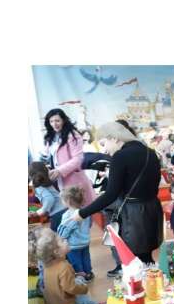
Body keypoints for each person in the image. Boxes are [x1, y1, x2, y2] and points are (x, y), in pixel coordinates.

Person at [70, 120, 163, 277]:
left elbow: (110, 194)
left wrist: (82, 213)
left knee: (134, 266)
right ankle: (155, 287)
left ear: (114, 138)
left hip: (133, 216)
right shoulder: (150, 152)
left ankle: (141, 291)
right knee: (147, 260)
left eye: (104, 143)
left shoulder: (120, 156)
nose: (105, 150)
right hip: (152, 209)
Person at [29, 227, 99, 304]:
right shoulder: (64, 266)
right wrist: (84, 288)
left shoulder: (46, 264)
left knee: (79, 283)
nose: (66, 240)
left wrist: (75, 275)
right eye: (62, 241)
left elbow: (57, 279)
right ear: (56, 252)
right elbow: (71, 288)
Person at [41, 108, 96, 208]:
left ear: (63, 120)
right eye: (51, 121)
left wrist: (59, 170)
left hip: (73, 180)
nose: (54, 124)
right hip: (58, 180)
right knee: (69, 209)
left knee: (81, 209)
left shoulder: (73, 135)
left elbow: (78, 159)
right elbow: (48, 156)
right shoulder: (51, 137)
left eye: (57, 121)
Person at [57, 186, 94, 282]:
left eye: (63, 200)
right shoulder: (85, 212)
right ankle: (88, 273)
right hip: (85, 242)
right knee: (86, 258)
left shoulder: (68, 215)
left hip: (73, 245)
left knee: (75, 261)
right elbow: (90, 224)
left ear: (68, 202)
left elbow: (65, 230)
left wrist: (59, 238)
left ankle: (81, 276)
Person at [29, 162, 66, 232]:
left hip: (57, 214)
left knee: (54, 235)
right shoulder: (46, 182)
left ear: (30, 174)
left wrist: (39, 212)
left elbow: (49, 199)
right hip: (65, 209)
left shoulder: (37, 186)